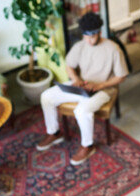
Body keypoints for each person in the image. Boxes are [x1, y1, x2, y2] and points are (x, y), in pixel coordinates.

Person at [36, 12, 128, 165]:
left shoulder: (113, 49)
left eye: (92, 37)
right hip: (81, 86)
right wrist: (76, 79)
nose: (89, 41)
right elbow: (69, 66)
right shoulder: (80, 45)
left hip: (103, 90)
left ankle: (87, 145)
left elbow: (121, 76)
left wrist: (99, 85)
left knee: (81, 110)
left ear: (99, 32)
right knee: (46, 96)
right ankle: (54, 132)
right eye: (86, 36)